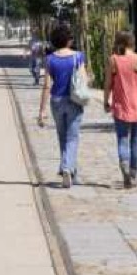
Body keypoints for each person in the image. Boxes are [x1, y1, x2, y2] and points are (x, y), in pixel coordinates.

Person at [37, 22, 87, 188]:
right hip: (74, 100)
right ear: (68, 41)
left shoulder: (50, 59)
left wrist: (42, 110)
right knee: (73, 137)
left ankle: (71, 171)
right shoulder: (78, 57)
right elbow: (83, 79)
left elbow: (46, 85)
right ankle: (67, 168)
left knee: (63, 137)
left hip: (56, 100)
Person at [103, 30, 137, 188]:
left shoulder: (113, 60)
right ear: (132, 42)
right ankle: (133, 173)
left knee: (122, 139)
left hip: (120, 105)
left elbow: (107, 84)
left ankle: (124, 164)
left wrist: (106, 101)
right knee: (136, 140)